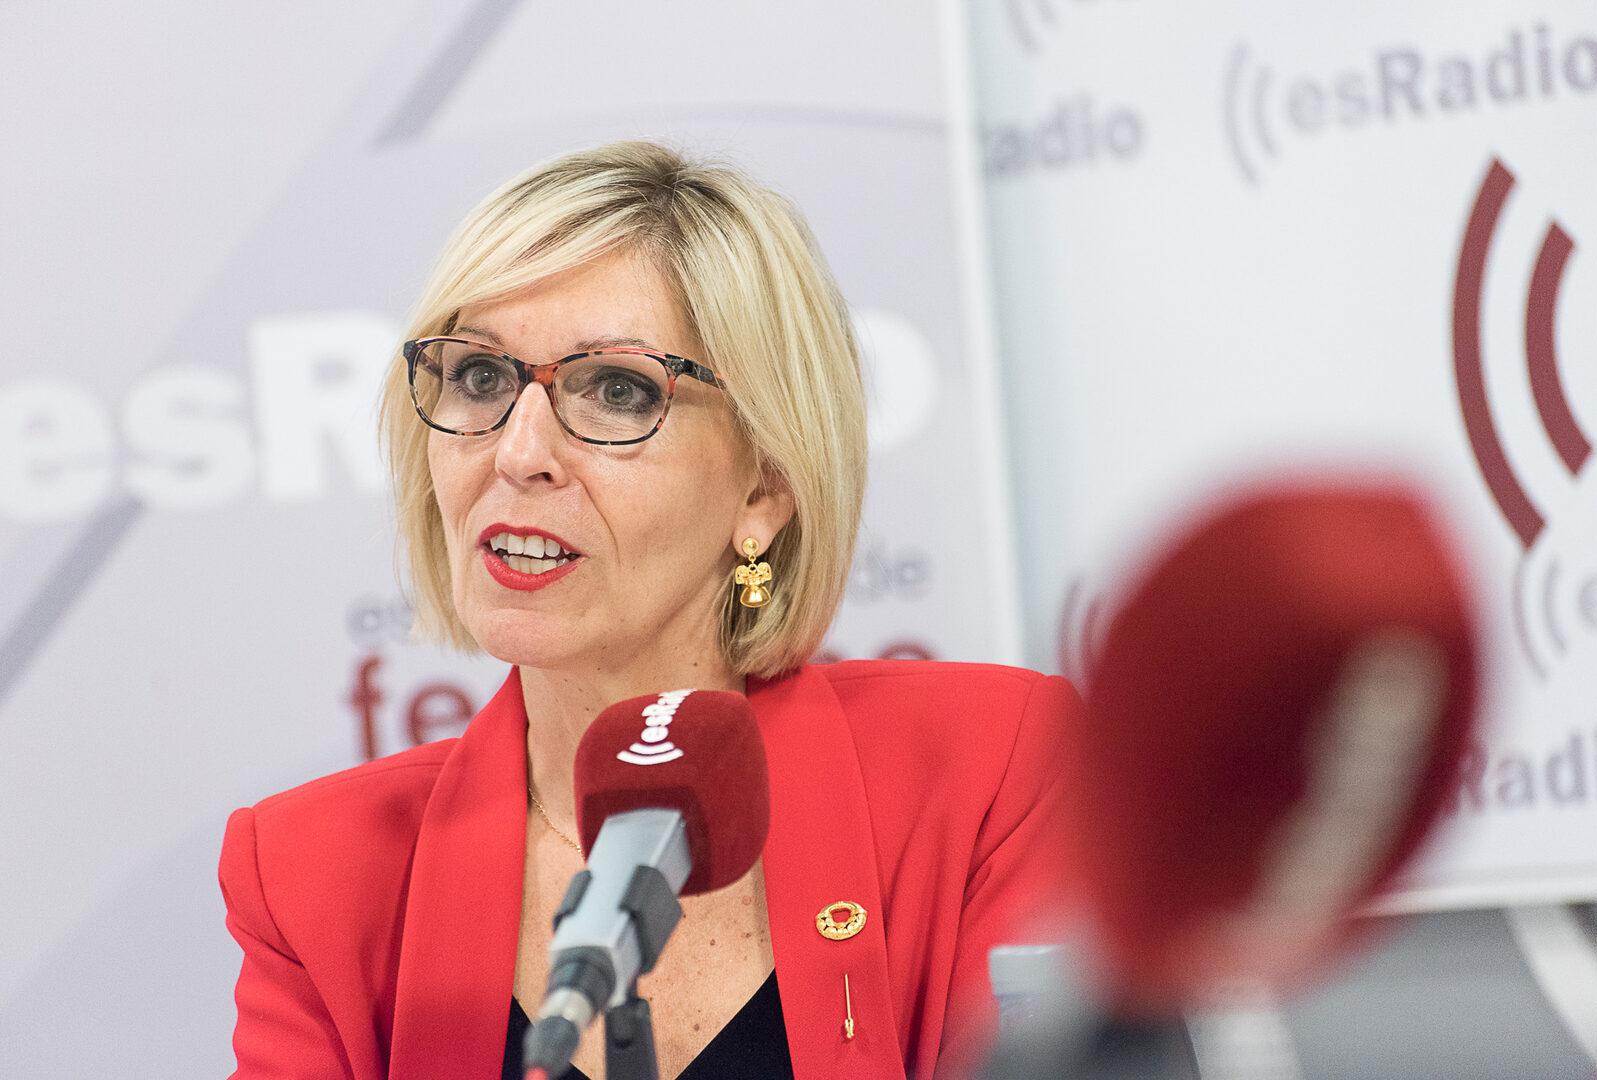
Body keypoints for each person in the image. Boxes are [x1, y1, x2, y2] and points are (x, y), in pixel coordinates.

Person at [219, 140, 1081, 1080]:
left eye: (617, 391)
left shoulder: (984, 770)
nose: (518, 454)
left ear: (765, 486)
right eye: (480, 378)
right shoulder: (312, 874)